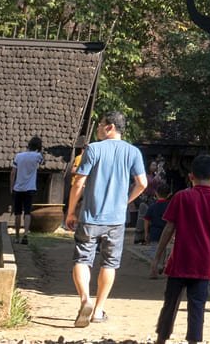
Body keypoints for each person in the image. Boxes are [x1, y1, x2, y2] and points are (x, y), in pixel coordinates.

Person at [65, 111, 148, 327]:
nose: (98, 129)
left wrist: (71, 211)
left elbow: (78, 183)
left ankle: (85, 300)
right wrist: (126, 201)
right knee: (110, 264)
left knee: (83, 259)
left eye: (100, 125)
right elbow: (142, 184)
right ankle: (99, 310)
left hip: (91, 216)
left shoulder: (93, 149)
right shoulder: (133, 152)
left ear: (109, 127)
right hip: (116, 220)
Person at [150, 154, 210, 344]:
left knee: (170, 303)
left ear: (191, 176)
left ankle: (161, 339)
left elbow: (169, 229)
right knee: (197, 306)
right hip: (204, 264)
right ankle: (193, 341)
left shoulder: (181, 197)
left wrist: (157, 257)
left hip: (180, 261)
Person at [10, 135, 45, 245]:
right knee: (27, 213)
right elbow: (43, 163)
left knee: (17, 213)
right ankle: (25, 234)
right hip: (30, 188)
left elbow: (13, 173)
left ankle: (16, 236)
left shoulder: (18, 156)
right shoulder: (37, 156)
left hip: (18, 188)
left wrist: (11, 186)